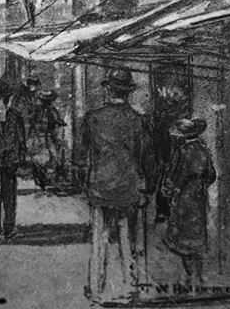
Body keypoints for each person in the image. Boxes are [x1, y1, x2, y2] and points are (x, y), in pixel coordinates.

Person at [73, 68, 151, 303]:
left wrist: (84, 177)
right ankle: (128, 288)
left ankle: (97, 288)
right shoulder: (138, 120)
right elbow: (147, 157)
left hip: (100, 186)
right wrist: (146, 186)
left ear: (108, 90)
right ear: (127, 93)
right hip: (128, 186)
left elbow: (79, 156)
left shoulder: (93, 118)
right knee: (127, 239)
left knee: (100, 238)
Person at [162, 118, 216, 283]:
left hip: (184, 198)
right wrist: (201, 184)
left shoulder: (182, 151)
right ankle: (199, 274)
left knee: (184, 237)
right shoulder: (204, 151)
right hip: (198, 197)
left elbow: (172, 174)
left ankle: (189, 274)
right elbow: (211, 175)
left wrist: (168, 190)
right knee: (198, 234)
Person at [0, 83, 27, 239]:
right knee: (9, 194)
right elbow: (20, 138)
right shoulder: (15, 115)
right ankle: (8, 226)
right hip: (10, 158)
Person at [26, 89, 67, 190]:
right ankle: (43, 178)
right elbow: (56, 120)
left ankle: (44, 178)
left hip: (42, 136)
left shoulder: (44, 109)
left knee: (45, 157)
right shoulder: (45, 109)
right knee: (47, 156)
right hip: (42, 136)